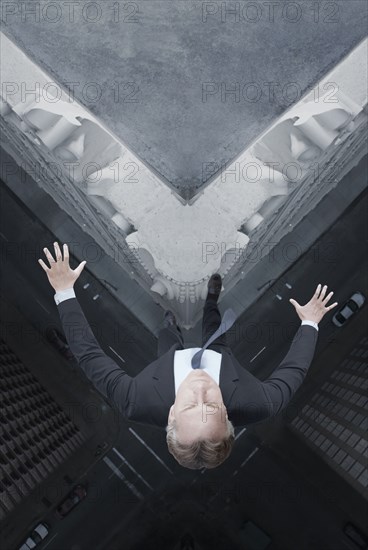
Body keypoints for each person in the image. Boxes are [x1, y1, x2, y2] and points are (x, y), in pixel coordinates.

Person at [38, 242, 338, 470]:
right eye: (212, 405)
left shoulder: (136, 401)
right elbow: (293, 372)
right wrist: (310, 322)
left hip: (169, 359)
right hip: (218, 350)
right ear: (230, 416)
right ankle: (211, 301)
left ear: (170, 415)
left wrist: (64, 292)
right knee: (212, 325)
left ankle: (168, 319)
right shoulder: (260, 403)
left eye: (191, 406)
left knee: (168, 334)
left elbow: (89, 355)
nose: (200, 389)